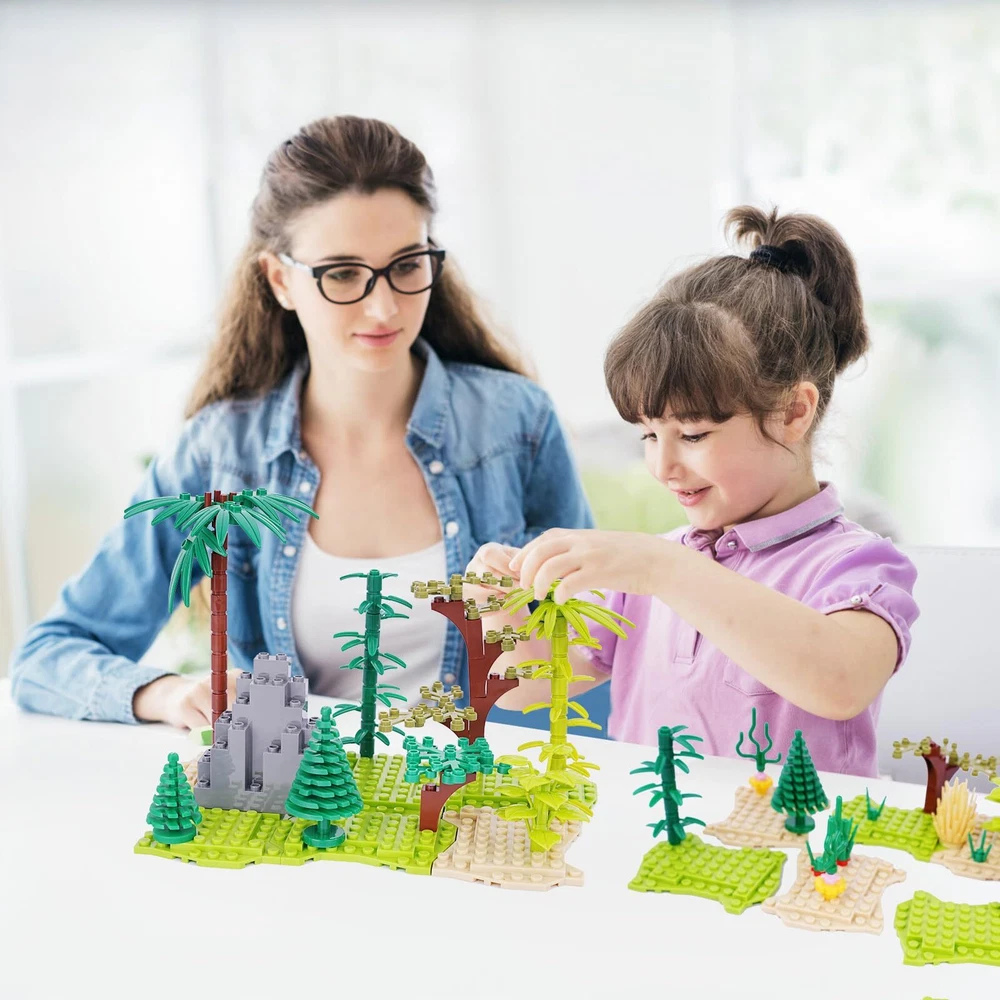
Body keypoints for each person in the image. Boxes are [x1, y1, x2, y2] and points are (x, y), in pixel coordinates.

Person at [9, 116, 592, 729]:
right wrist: (167, 694)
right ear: (280, 279)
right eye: (341, 273)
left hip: (482, 783)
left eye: (407, 265)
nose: (383, 306)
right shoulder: (220, 452)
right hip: (303, 788)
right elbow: (47, 656)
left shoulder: (516, 424)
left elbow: (594, 650)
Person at [470, 207, 919, 777]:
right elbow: (527, 686)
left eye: (693, 434)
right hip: (650, 830)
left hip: (792, 835)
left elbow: (840, 683)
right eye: (648, 435)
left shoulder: (857, 565)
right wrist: (497, 605)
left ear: (792, 412)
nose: (662, 466)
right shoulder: (655, 569)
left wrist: (663, 570)